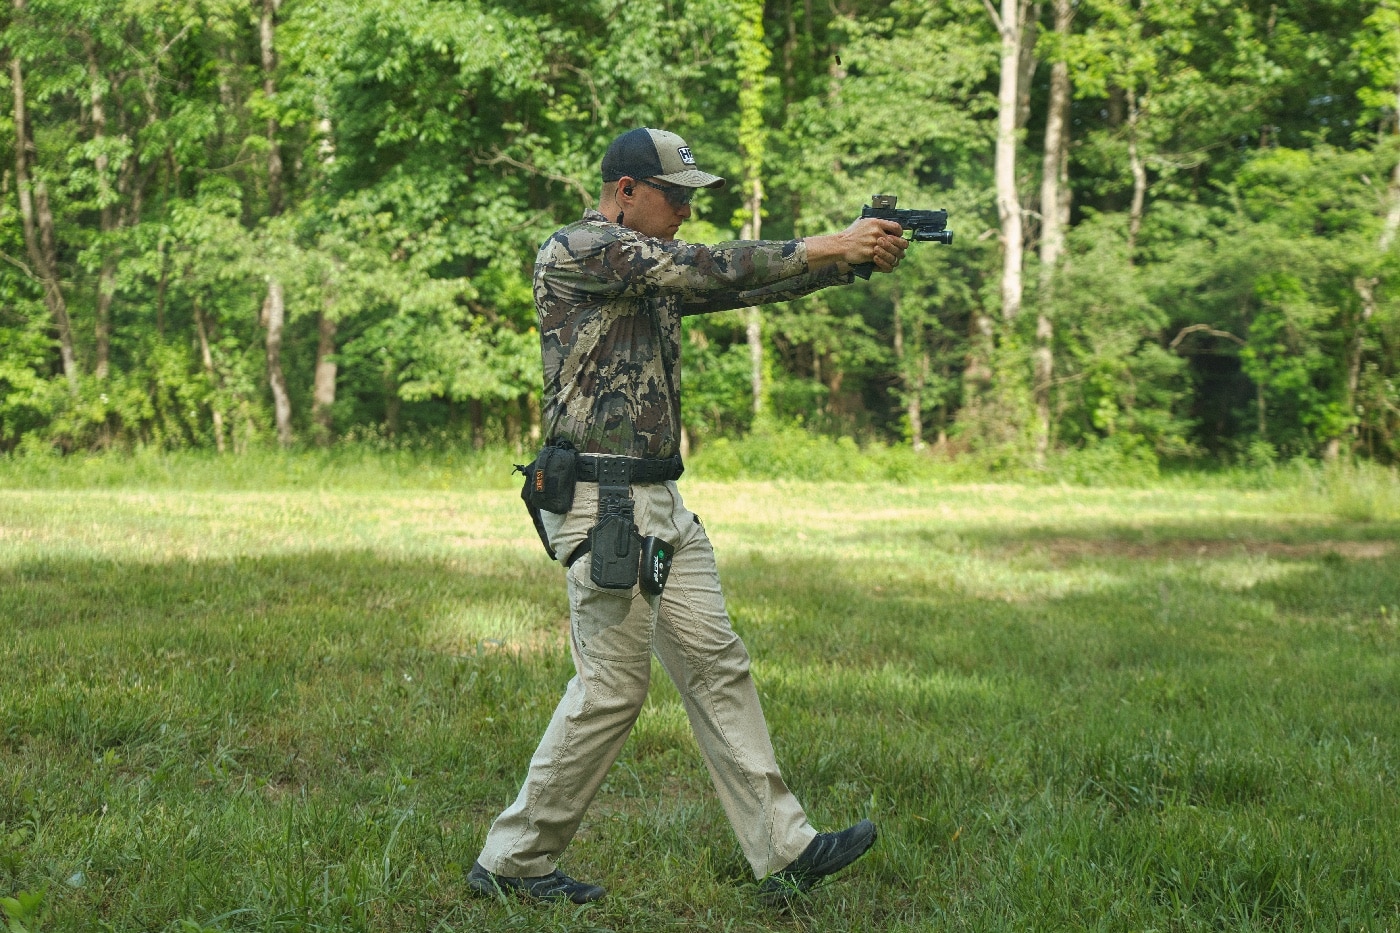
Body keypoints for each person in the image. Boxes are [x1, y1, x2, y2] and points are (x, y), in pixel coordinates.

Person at [468, 127, 908, 906]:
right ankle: (512, 860)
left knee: (716, 661)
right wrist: (827, 240)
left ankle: (785, 847)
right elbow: (705, 266)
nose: (683, 213)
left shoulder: (651, 269)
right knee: (611, 688)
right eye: (675, 197)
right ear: (627, 191)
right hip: (604, 504)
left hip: (660, 500)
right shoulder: (580, 248)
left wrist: (844, 260)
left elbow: (736, 284)